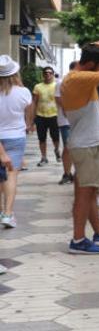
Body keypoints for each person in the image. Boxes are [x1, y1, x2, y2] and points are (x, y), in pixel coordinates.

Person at [61, 42, 99, 254]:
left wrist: (98, 111)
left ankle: (98, 231)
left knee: (90, 192)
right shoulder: (79, 77)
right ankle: (78, 240)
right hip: (88, 145)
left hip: (86, 142)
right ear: (89, 64)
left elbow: (81, 110)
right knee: (84, 195)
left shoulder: (75, 79)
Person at [0, 55, 34, 228]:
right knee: (11, 176)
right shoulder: (24, 92)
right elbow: (29, 112)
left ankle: (2, 211)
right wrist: (28, 124)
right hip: (15, 138)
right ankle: (7, 214)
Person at [32, 67, 61, 166]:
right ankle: (44, 157)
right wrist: (32, 118)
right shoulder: (38, 87)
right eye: (45, 73)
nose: (47, 74)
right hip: (40, 116)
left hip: (54, 115)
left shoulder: (57, 86)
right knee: (42, 138)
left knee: (55, 137)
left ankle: (57, 151)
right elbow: (34, 102)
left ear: (53, 74)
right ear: (43, 75)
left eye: (50, 73)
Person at [55, 62, 75, 184]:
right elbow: (58, 99)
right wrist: (69, 110)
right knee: (68, 147)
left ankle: (75, 174)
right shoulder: (61, 82)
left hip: (80, 120)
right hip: (66, 121)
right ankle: (67, 173)